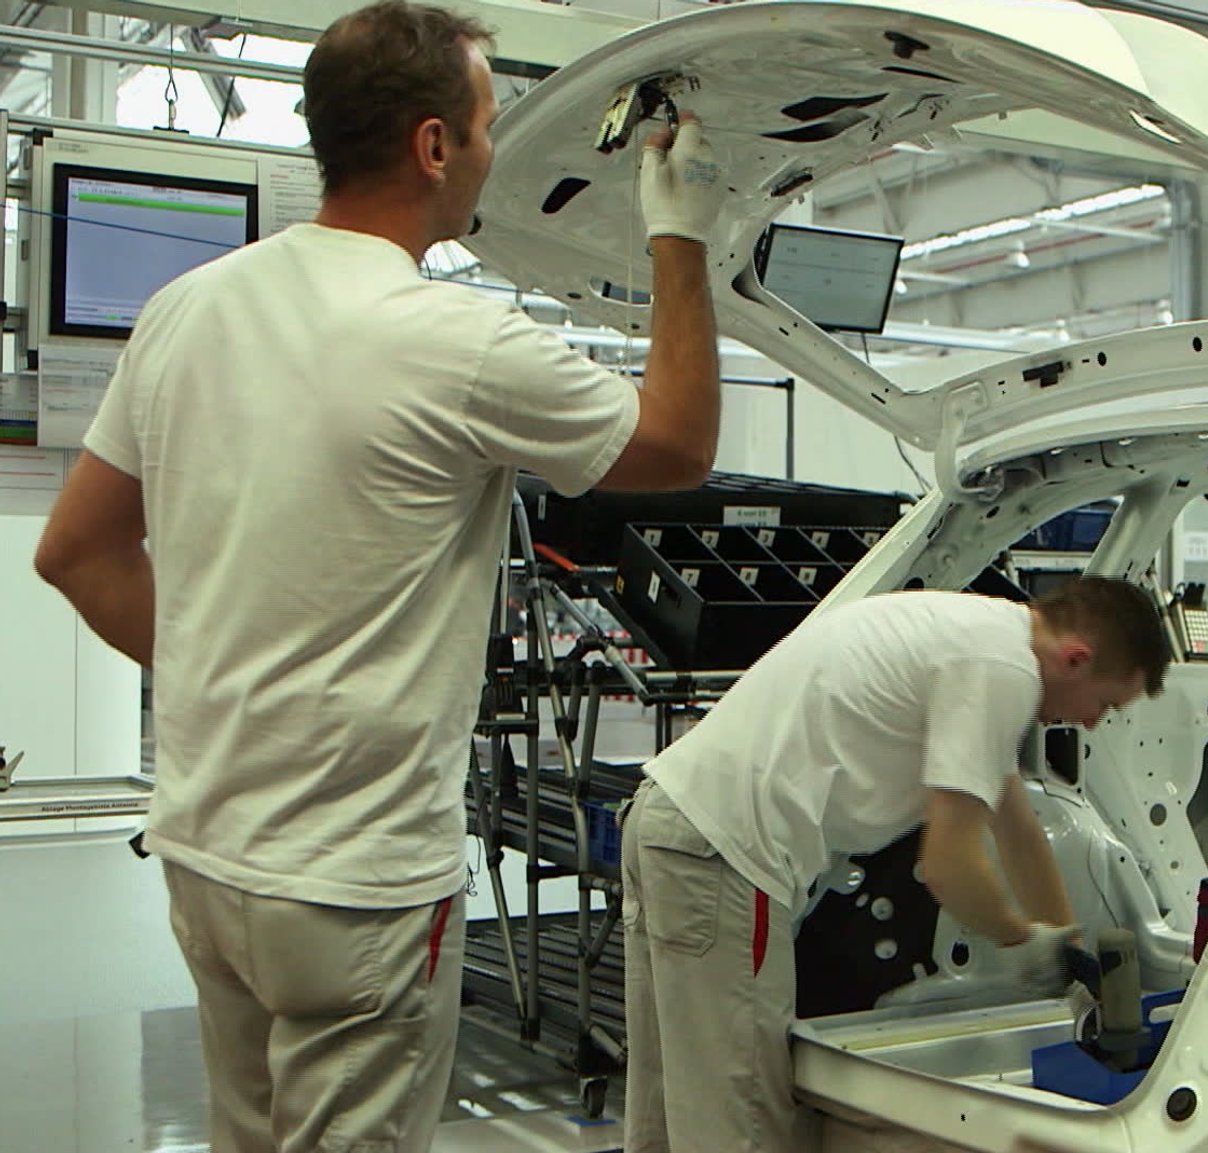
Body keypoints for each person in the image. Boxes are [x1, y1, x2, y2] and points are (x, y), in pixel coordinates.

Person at [32, 2, 727, 1150]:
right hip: (357, 879)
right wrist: (681, 237)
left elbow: (75, 551)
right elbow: (679, 442)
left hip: (207, 855)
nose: (497, 149)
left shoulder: (185, 309)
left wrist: (219, 663)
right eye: (491, 122)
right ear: (433, 145)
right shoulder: (455, 340)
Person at [622, 576, 1173, 1152]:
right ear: (1076, 659)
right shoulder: (999, 670)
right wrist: (1024, 944)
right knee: (738, 1119)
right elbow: (948, 865)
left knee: (668, 1098)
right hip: (725, 855)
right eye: (1104, 704)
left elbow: (1017, 831)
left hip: (669, 822)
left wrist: (1071, 950)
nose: (1090, 723)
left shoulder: (983, 635)